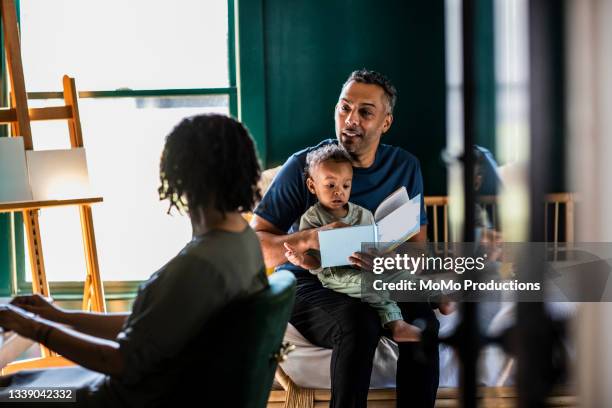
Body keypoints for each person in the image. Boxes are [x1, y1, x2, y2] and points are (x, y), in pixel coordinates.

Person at [0, 114, 268, 406]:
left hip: (128, 398)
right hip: (166, 388)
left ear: (183, 176)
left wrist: (34, 329)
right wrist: (58, 315)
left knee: (13, 392)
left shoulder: (199, 267)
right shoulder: (242, 241)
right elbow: (151, 327)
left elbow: (118, 361)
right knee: (15, 382)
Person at [252, 69, 440, 408]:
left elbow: (417, 251)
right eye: (344, 108)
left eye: (365, 112)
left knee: (424, 319)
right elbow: (254, 250)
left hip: (374, 273)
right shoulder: (304, 167)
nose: (350, 120)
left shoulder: (405, 167)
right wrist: (311, 237)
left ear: (385, 122)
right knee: (360, 321)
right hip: (309, 281)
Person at [283, 144, 422, 342]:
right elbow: (315, 263)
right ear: (312, 186)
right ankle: (396, 324)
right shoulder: (312, 219)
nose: (339, 192)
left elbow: (375, 246)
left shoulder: (363, 214)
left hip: (366, 266)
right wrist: (300, 259)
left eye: (345, 185)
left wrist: (385, 255)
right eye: (331, 185)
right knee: (374, 284)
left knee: (401, 274)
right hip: (336, 274)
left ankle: (437, 296)